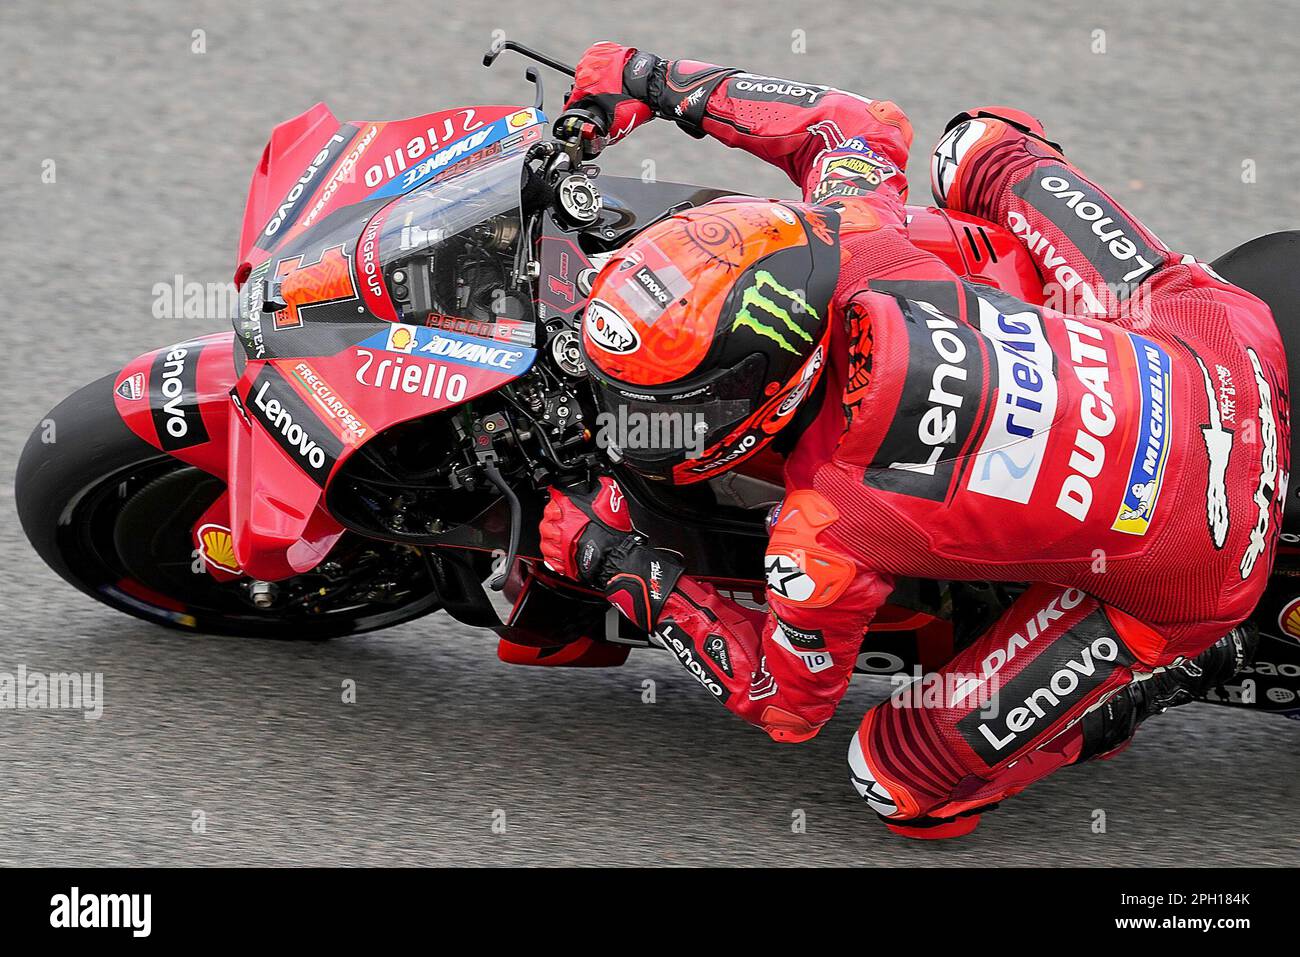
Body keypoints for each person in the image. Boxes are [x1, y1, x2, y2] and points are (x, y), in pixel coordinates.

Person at [539, 42, 1288, 838]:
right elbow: (852, 122)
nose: (624, 411)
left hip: (1203, 562)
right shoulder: (855, 227)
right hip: (1222, 345)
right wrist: (654, 82)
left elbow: (784, 704)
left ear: (761, 399)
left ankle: (1162, 672)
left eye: (652, 401)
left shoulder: (822, 531)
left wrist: (617, 563)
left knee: (895, 779)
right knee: (975, 144)